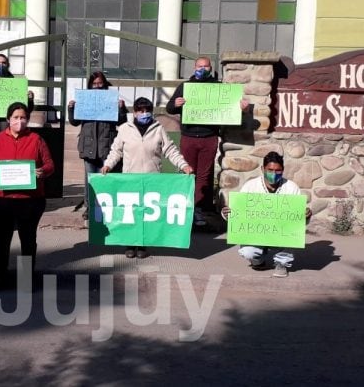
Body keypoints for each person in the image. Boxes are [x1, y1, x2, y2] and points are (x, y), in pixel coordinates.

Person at [101, 97, 193, 259]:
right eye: (140, 111)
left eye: (147, 111)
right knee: (130, 213)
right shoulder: (124, 129)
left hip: (152, 179)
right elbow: (116, 150)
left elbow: (170, 150)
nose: (144, 114)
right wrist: (108, 165)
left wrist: (183, 165)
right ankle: (130, 244)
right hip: (130, 179)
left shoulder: (158, 129)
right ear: (135, 112)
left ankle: (143, 244)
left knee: (146, 214)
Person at [0, 102, 55, 291]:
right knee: (2, 240)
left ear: (27, 120)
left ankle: (25, 280)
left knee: (27, 241)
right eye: (15, 118)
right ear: (8, 120)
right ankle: (1, 277)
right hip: (0, 200)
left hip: (29, 200)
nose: (19, 121)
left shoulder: (36, 140)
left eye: (23, 118)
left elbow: (50, 164)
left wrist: (42, 171)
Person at [166, 56, 249, 227]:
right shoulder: (185, 86)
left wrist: (241, 108)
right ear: (194, 67)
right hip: (189, 136)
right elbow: (169, 107)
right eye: (199, 66)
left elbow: (229, 108)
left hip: (209, 137)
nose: (202, 69)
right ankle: (185, 208)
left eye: (206, 66)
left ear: (211, 68)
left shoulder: (218, 88)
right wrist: (176, 103)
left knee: (204, 176)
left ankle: (199, 210)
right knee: (187, 174)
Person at [221, 152, 312, 278]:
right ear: (262, 169)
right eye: (270, 170)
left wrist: (305, 216)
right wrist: (228, 214)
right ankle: (258, 261)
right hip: (256, 232)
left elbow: (297, 220)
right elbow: (238, 213)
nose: (274, 174)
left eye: (278, 170)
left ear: (283, 170)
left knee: (291, 235)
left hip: (281, 232)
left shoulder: (291, 188)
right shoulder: (250, 186)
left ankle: (281, 263)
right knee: (248, 252)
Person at [68, 71, 127, 218]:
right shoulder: (84, 100)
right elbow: (74, 122)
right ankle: (89, 208)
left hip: (106, 144)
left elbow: (121, 122)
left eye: (100, 83)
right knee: (90, 178)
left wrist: (121, 108)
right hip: (88, 145)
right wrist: (71, 108)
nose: (97, 86)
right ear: (90, 85)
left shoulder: (111, 99)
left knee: (106, 177)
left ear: (105, 84)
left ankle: (107, 206)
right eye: (94, 84)